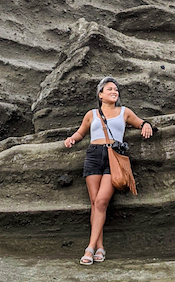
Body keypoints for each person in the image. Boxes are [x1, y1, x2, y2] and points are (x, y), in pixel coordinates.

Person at [64, 76, 153, 265]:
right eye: (110, 89)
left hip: (114, 157)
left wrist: (146, 125)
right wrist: (72, 138)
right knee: (95, 203)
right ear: (100, 94)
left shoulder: (124, 112)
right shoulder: (92, 114)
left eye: (116, 90)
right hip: (94, 155)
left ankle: (89, 248)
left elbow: (140, 122)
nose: (114, 92)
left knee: (102, 201)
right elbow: (81, 132)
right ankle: (100, 247)